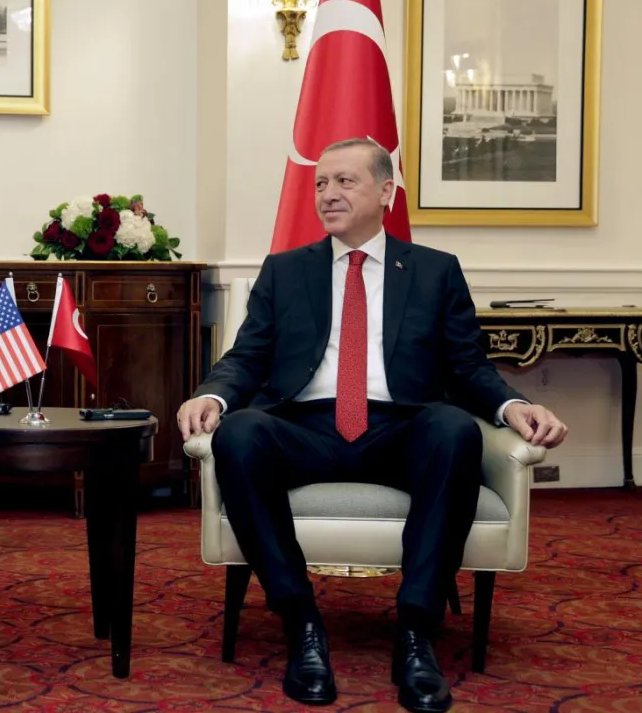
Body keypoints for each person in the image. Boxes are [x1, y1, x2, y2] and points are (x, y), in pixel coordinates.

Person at [177, 138, 567, 713]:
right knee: (239, 433)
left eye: (344, 181)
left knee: (453, 428)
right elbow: (248, 357)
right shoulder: (285, 270)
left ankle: (415, 632)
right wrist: (211, 394)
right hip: (306, 426)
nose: (328, 194)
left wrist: (514, 407)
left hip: (398, 427)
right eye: (320, 183)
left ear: (386, 191)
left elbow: (468, 368)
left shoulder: (435, 271)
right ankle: (302, 623)